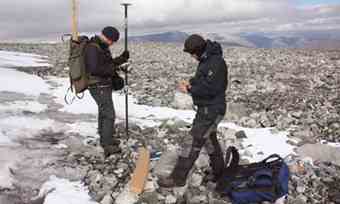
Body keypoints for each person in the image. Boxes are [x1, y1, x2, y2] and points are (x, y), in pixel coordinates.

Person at [158, 34, 228, 187]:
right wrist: (191, 82)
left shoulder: (216, 62)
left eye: (191, 53)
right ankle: (221, 174)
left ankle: (177, 178)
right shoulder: (206, 60)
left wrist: (190, 89)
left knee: (192, 142)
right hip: (206, 109)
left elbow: (211, 88)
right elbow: (203, 80)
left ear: (198, 50)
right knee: (210, 141)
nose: (191, 56)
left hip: (212, 110)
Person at [85, 26, 129, 157]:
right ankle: (107, 144)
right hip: (98, 85)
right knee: (109, 114)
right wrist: (114, 71)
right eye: (111, 40)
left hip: (102, 85)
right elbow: (95, 69)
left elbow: (108, 63)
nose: (112, 43)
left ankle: (105, 136)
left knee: (103, 111)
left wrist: (121, 59)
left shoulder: (101, 47)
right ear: (105, 36)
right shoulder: (93, 48)